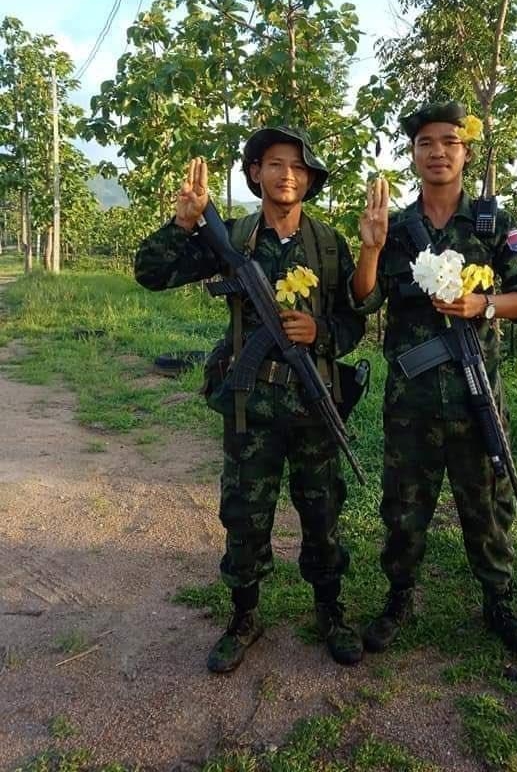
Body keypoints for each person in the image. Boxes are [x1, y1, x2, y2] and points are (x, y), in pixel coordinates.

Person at [135, 126, 367, 672]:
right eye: (275, 163)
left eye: (298, 167)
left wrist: (321, 333)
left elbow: (355, 321)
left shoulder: (329, 243)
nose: (287, 175)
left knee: (323, 509)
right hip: (249, 408)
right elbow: (152, 273)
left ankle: (330, 611)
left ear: (309, 180)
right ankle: (244, 617)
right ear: (256, 172)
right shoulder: (234, 238)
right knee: (244, 514)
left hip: (314, 407)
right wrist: (186, 222)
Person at [351, 101, 517, 656]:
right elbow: (363, 300)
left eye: (449, 143)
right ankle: (398, 597)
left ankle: (498, 601)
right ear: (413, 155)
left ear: (465, 151)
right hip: (410, 400)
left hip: (474, 394)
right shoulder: (396, 228)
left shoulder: (492, 224)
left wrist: (483, 304)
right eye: (426, 143)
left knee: (487, 505)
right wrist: (369, 245)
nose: (438, 152)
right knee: (403, 507)